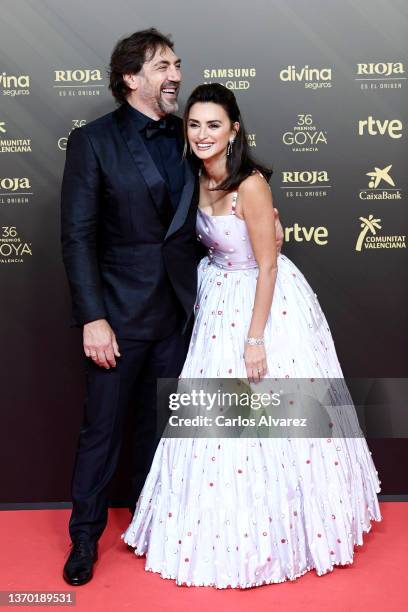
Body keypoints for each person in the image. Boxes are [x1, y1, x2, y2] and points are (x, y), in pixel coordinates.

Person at [122, 83, 382, 589]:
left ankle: (286, 533)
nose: (201, 134)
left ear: (234, 129)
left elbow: (268, 267)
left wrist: (256, 339)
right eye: (194, 124)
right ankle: (216, 533)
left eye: (213, 124)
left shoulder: (252, 185)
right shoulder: (194, 176)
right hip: (216, 303)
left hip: (263, 309)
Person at [60, 27, 285, 587]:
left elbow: (230, 191)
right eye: (163, 66)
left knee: (161, 431)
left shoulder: (191, 137)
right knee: (102, 430)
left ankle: (153, 522)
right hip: (116, 317)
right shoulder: (94, 142)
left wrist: (268, 220)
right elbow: (78, 237)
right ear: (131, 77)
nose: (176, 76)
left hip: (188, 315)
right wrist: (93, 317)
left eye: (178, 65)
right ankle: (84, 538)